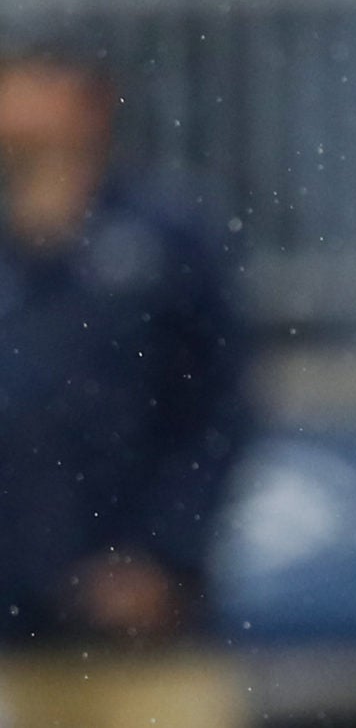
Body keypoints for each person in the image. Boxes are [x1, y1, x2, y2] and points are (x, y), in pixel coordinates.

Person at [0, 44, 251, 728]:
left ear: (89, 102)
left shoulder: (168, 238)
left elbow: (218, 414)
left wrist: (164, 554)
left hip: (146, 631)